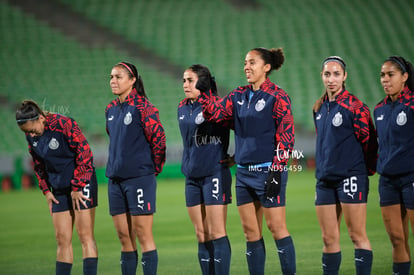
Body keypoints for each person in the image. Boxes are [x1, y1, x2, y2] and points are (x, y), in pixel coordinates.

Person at [197, 47, 296, 275]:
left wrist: (277, 171)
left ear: (266, 67)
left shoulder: (277, 96)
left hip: (268, 172)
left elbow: (286, 137)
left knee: (277, 228)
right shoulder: (237, 95)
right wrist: (207, 93)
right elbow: (216, 114)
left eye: (252, 62)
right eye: (245, 63)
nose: (246, 67)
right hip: (243, 174)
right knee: (250, 233)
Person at [16, 100, 98, 275]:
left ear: (40, 118)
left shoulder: (63, 124)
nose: (31, 134)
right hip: (59, 189)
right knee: (62, 239)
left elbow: (85, 153)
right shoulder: (31, 135)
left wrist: (77, 187)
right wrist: (46, 191)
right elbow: (38, 165)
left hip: (82, 183)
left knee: (85, 236)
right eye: (27, 132)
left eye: (32, 129)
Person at [312, 56, 378, 275]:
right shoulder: (318, 108)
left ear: (344, 76)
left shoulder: (356, 107)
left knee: (357, 236)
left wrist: (362, 172)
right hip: (324, 180)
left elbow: (369, 142)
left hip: (351, 177)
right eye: (327, 74)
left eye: (336, 74)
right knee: (328, 238)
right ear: (322, 76)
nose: (331, 79)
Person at [105, 61, 166, 275]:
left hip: (139, 179)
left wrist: (151, 169)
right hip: (115, 181)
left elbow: (159, 140)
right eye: (111, 77)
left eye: (118, 77)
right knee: (124, 237)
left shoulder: (144, 107)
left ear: (132, 80)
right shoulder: (110, 109)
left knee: (143, 235)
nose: (113, 81)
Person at [178, 64, 233, 274]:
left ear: (202, 82)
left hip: (214, 174)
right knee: (201, 234)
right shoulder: (182, 107)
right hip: (191, 178)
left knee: (217, 232)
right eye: (184, 80)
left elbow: (242, 129)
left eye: (190, 80)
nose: (185, 84)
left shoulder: (218, 106)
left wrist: (237, 157)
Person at [374, 56, 414, 275]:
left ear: (405, 77)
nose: (385, 80)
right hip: (387, 181)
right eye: (382, 75)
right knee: (397, 240)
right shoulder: (379, 109)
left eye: (391, 75)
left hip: (411, 178)